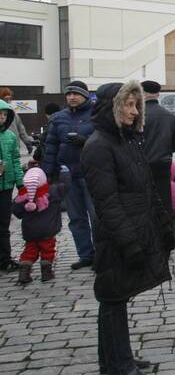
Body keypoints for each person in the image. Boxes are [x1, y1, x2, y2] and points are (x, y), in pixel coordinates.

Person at [82, 81, 174, 375]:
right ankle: (119, 366)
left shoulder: (125, 140)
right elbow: (107, 202)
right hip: (117, 234)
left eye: (137, 106)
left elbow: (144, 187)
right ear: (113, 107)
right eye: (129, 105)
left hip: (132, 227)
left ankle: (112, 358)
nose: (135, 112)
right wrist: (129, 242)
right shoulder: (99, 145)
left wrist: (162, 223)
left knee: (114, 295)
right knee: (114, 296)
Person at [43, 81, 97, 270]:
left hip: (91, 174)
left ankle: (101, 255)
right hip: (68, 175)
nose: (71, 97)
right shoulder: (59, 118)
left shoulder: (96, 115)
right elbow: (50, 147)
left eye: (75, 94)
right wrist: (47, 173)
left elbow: (106, 141)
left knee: (96, 217)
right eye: (68, 94)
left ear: (85, 95)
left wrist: (86, 141)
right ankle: (85, 254)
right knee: (76, 218)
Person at [141, 80, 175, 239]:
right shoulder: (169, 116)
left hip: (141, 164)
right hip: (163, 163)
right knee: (165, 200)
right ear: (158, 94)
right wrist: (167, 150)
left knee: (144, 201)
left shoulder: (137, 115)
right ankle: (167, 234)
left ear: (142, 93)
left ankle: (149, 235)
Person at [13, 166, 68, 284]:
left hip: (30, 232)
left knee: (29, 251)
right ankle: (46, 273)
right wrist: (64, 173)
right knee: (48, 250)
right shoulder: (52, 191)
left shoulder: (22, 196)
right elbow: (65, 187)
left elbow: (17, 212)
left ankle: (24, 272)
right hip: (47, 231)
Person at [0, 98, 26, 272]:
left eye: (4, 115)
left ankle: (4, 258)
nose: (2, 117)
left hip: (6, 186)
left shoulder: (9, 136)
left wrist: (20, 183)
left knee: (3, 224)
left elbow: (16, 160)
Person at [0, 88, 34, 154]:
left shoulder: (12, 112)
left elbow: (20, 128)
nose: (8, 101)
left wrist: (27, 142)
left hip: (13, 144)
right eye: (6, 99)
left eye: (9, 99)